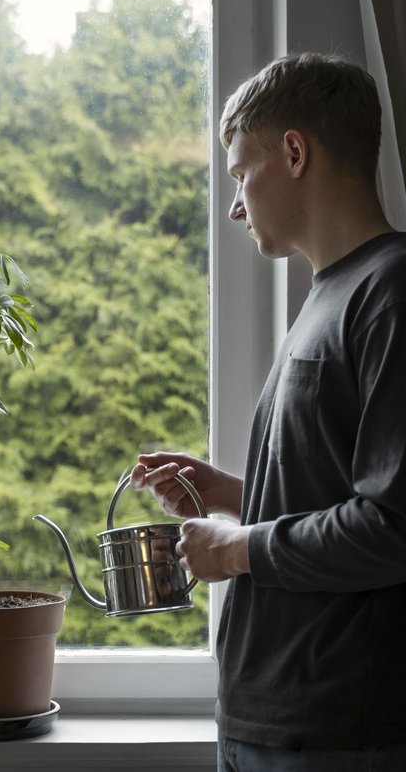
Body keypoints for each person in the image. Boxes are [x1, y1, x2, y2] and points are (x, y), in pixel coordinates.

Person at [130, 52, 406, 771]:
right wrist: (230, 494)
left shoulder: (393, 294)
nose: (234, 205)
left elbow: (394, 528)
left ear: (293, 152)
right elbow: (341, 500)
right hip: (275, 721)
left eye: (239, 173)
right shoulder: (330, 294)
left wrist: (236, 547)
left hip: (341, 733)